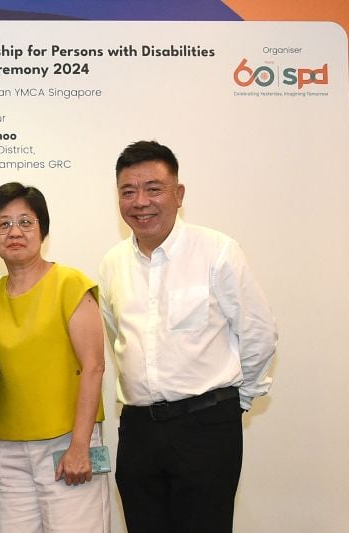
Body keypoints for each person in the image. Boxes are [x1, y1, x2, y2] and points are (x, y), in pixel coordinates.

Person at [98, 140, 278, 533]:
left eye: (153, 188)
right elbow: (117, 338)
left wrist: (232, 404)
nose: (140, 201)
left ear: (178, 194)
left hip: (206, 428)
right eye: (128, 191)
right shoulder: (113, 264)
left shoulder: (217, 251)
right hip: (139, 431)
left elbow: (259, 334)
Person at [0, 182, 110, 532]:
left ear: (43, 230)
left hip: (69, 443)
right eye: (3, 224)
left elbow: (94, 366)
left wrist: (81, 446)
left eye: (26, 221)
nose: (15, 232)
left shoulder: (70, 283)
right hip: (6, 451)